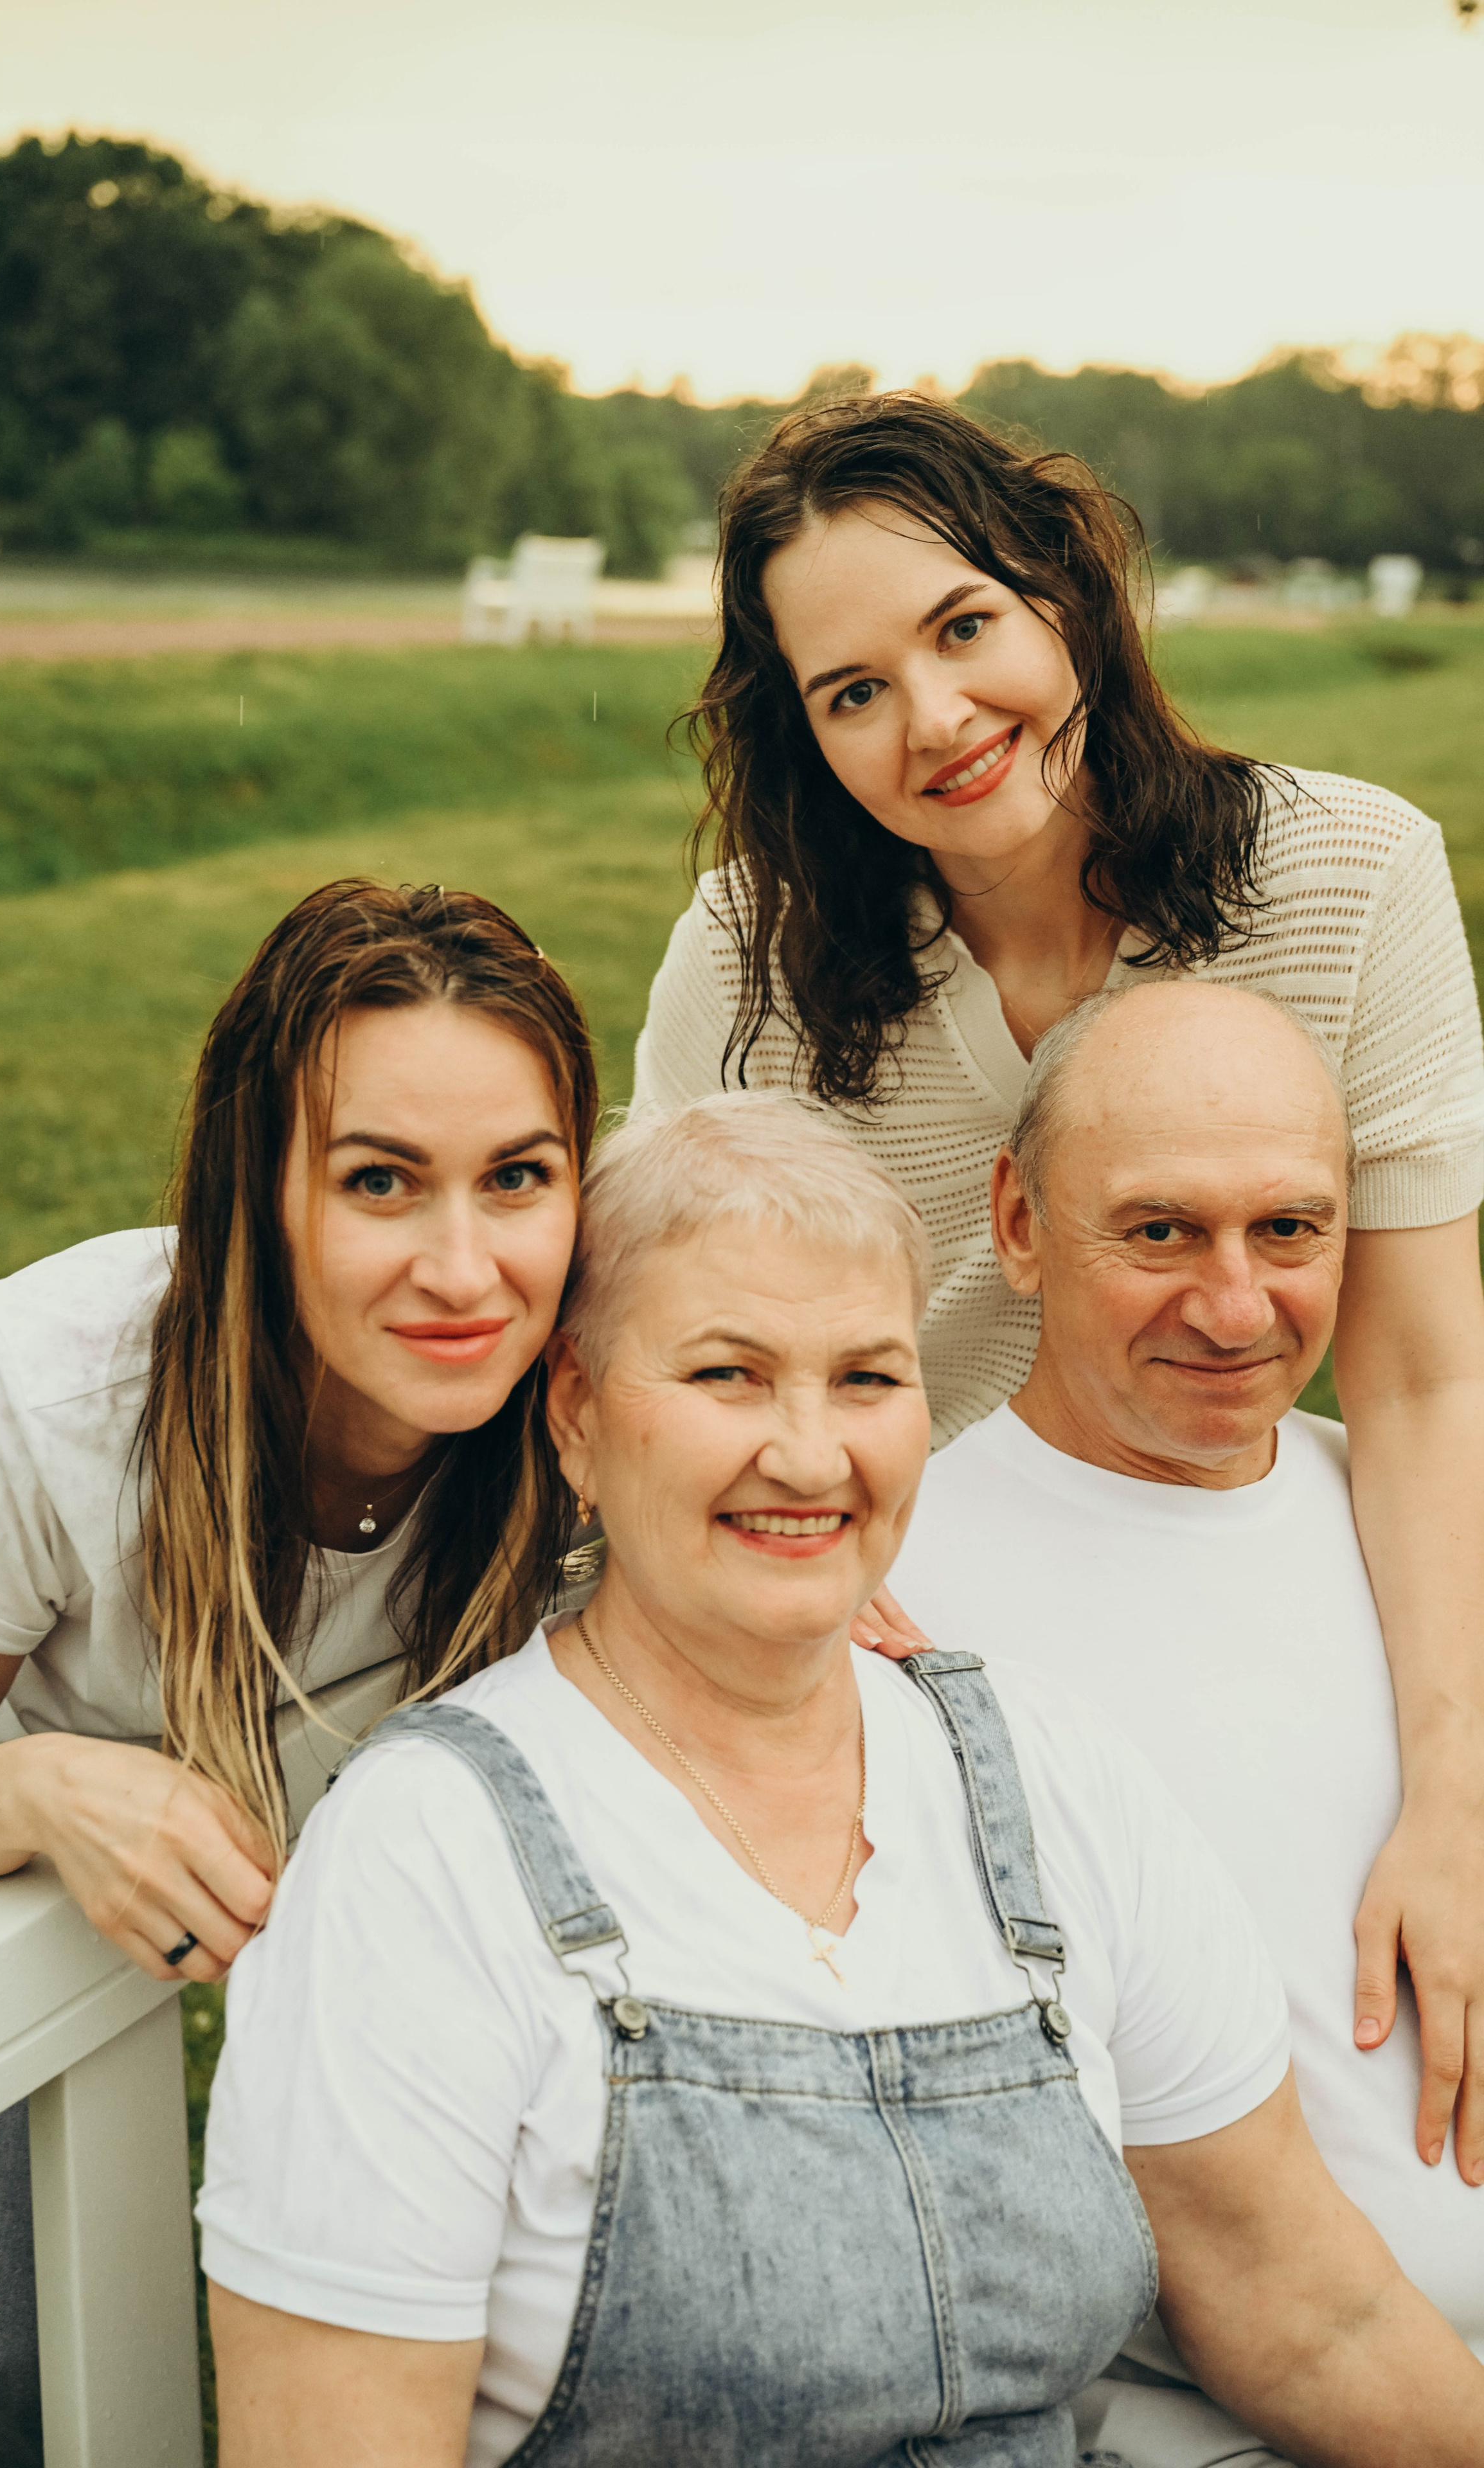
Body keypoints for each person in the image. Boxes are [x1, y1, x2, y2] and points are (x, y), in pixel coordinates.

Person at [199, 1094, 1484, 2468]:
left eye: (867, 1379)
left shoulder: (1044, 1776)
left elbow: (1305, 2313)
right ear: (575, 1411)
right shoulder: (423, 1857)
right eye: (727, 1376)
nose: (810, 1456)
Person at [632, 389, 1484, 2173]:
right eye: (852, 692)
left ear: (1066, 594)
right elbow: (648, 1334)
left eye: (964, 628)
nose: (934, 721)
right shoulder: (748, 959)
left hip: (1214, 1557)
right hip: (887, 1619)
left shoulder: (1351, 874)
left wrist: (1453, 1795)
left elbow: (1420, 1377)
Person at [0, 876, 596, 2468]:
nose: (466, 1271)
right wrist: (31, 1793)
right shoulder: (61, 1400)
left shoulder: (593, 1402)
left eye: (517, 1178)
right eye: (380, 1181)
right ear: (257, 1186)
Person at [881, 976, 1484, 2467]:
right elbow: (1245, 2284)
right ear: (1017, 1223)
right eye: (1158, 1232)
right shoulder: (897, 1612)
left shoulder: (1420, 1535)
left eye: (1287, 1230)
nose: (1233, 1308)